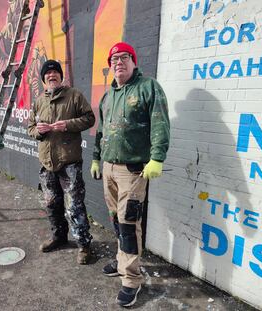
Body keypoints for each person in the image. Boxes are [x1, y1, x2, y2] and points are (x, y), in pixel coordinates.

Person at [90, 42, 170, 307]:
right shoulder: (108, 96)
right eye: (113, 59)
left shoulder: (148, 87)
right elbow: (101, 132)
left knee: (128, 224)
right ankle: (122, 258)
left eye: (124, 57)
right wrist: (95, 158)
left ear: (134, 61)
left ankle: (131, 279)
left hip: (133, 170)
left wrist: (157, 158)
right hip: (109, 168)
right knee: (115, 218)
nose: (118, 62)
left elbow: (160, 123)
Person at [28, 60, 95, 265]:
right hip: (47, 164)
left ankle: (83, 245)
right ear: (43, 80)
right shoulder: (39, 101)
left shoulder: (74, 96)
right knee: (51, 204)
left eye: (55, 73)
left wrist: (67, 125)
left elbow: (89, 118)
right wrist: (37, 131)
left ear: (60, 76)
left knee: (74, 206)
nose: (51, 76)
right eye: (48, 74)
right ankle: (59, 237)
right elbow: (30, 127)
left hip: (69, 163)